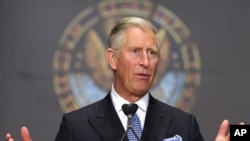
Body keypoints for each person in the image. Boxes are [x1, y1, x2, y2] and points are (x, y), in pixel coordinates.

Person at [6, 17, 232, 141]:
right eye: (135, 51)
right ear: (112, 59)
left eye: (152, 53)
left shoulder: (184, 125)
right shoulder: (76, 127)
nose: (145, 61)